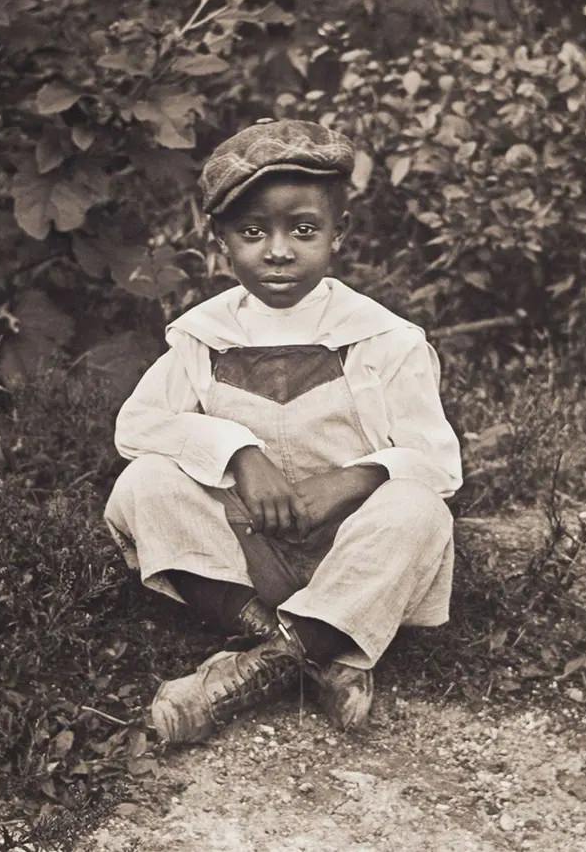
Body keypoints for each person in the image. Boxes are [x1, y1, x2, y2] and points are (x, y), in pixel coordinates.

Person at [104, 118, 462, 746]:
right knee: (146, 481)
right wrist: (236, 450)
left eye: (303, 230)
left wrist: (354, 480)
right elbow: (137, 425)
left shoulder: (385, 338)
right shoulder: (202, 334)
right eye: (252, 232)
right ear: (221, 243)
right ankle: (312, 646)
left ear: (337, 235)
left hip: (353, 556)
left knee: (419, 509)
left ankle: (261, 666)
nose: (277, 250)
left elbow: (438, 462)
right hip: (251, 553)